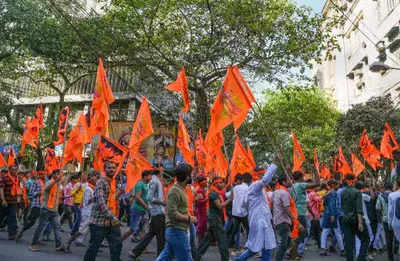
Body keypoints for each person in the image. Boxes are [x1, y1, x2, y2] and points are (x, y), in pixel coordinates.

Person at [235, 160, 279, 261]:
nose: (262, 177)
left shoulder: (251, 190)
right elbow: (265, 180)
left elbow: (244, 205)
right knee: (257, 247)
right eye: (261, 175)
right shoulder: (255, 187)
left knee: (264, 246)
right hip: (260, 221)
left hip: (259, 220)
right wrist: (274, 165)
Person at [157, 164, 197, 261]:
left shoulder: (181, 189)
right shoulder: (175, 191)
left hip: (178, 230)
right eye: (190, 174)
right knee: (186, 258)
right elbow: (172, 213)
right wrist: (189, 218)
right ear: (187, 177)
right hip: (177, 231)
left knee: (165, 257)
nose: (191, 177)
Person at [83, 161, 122, 261]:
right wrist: (113, 217)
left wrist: (119, 193)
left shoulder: (113, 182)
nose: (112, 169)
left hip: (111, 222)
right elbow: (101, 202)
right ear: (105, 170)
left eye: (113, 168)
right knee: (93, 248)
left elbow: (111, 199)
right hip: (99, 222)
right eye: (109, 168)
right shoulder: (101, 182)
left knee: (117, 245)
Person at [129, 169, 167, 260]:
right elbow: (149, 198)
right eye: (161, 174)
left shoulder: (155, 181)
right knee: (161, 237)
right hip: (157, 213)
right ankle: (160, 257)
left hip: (155, 213)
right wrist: (163, 203)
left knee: (151, 234)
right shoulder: (154, 181)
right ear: (158, 174)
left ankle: (135, 252)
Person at [29, 169, 65, 252]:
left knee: (57, 227)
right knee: (40, 227)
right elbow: (46, 188)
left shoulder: (58, 184)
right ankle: (33, 244)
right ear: (54, 175)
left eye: (61, 174)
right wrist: (55, 181)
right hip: (46, 209)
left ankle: (58, 245)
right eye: (59, 174)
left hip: (54, 210)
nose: (61, 176)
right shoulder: (50, 182)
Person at [196, 177, 231, 261]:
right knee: (222, 239)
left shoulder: (216, 192)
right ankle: (225, 258)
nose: (223, 184)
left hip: (214, 219)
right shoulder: (213, 193)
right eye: (221, 183)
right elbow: (219, 206)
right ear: (216, 184)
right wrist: (230, 199)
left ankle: (196, 255)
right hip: (214, 219)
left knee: (207, 239)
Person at [65, 171, 99, 252]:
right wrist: (96, 198)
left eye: (97, 178)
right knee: (81, 230)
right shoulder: (87, 188)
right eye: (95, 177)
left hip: (92, 213)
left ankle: (94, 248)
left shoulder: (92, 188)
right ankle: (68, 242)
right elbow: (87, 202)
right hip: (87, 212)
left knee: (95, 231)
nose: (96, 179)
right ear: (90, 178)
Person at [290, 170, 320, 258]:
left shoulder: (293, 186)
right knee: (304, 233)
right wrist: (316, 170)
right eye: (303, 177)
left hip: (296, 212)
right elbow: (317, 184)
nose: (304, 179)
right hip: (301, 212)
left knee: (299, 233)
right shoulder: (300, 185)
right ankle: (292, 249)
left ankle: (294, 253)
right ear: (300, 178)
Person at [341, 174, 369, 261]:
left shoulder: (342, 192)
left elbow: (343, 207)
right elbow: (359, 209)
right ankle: (361, 258)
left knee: (349, 244)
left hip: (345, 219)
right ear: (353, 180)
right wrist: (360, 223)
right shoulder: (357, 192)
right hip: (355, 220)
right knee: (366, 239)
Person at [122, 170, 152, 241]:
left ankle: (141, 249)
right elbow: (138, 197)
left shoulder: (146, 184)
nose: (151, 178)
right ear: (145, 176)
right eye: (150, 176)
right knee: (132, 228)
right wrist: (146, 206)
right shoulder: (140, 184)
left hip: (143, 210)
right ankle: (118, 241)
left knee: (142, 230)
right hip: (137, 209)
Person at [271, 174, 293, 261]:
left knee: (284, 243)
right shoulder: (284, 193)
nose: (291, 181)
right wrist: (294, 219)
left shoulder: (275, 192)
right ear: (284, 182)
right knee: (283, 245)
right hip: (283, 221)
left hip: (277, 221)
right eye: (289, 180)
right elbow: (286, 208)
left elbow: (272, 206)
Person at [320, 180, 344, 256]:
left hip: (327, 214)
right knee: (337, 233)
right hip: (332, 215)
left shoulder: (327, 193)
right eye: (336, 184)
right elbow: (332, 204)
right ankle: (342, 249)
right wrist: (333, 215)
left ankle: (323, 249)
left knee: (325, 232)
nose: (338, 186)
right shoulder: (333, 193)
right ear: (333, 185)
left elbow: (324, 203)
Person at [16, 171, 42, 240]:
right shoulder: (34, 182)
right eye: (41, 174)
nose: (41, 175)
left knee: (43, 223)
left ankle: (36, 239)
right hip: (36, 204)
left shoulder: (46, 182)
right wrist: (38, 193)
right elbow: (30, 194)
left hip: (46, 206)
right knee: (32, 221)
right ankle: (22, 230)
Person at [0, 164, 19, 240]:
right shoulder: (5, 178)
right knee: (1, 216)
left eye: (16, 169)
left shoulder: (17, 179)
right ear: (10, 170)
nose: (15, 171)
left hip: (13, 202)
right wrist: (3, 200)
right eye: (13, 169)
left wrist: (18, 199)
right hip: (5, 202)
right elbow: (1, 189)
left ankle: (12, 234)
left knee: (12, 217)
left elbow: (18, 189)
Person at [376, 183, 394, 261]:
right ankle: (396, 249)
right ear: (391, 187)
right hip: (395, 219)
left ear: (385, 188)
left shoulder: (380, 196)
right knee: (396, 237)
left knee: (388, 238)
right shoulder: (395, 195)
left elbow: (377, 207)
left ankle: (390, 257)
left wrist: (381, 215)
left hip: (385, 219)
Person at [195, 176, 208, 242]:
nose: (206, 183)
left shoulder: (203, 189)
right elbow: (199, 202)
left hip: (203, 210)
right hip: (201, 211)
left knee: (203, 226)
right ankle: (199, 241)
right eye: (205, 181)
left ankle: (201, 240)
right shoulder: (200, 190)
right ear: (202, 183)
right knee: (201, 226)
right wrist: (207, 199)